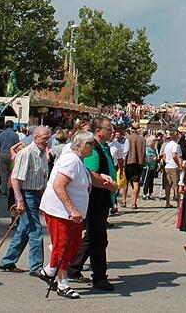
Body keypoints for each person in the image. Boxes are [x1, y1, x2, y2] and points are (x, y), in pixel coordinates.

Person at [36, 131, 98, 299]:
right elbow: (59, 185)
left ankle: (49, 271)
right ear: (79, 146)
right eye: (90, 144)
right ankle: (62, 284)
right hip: (61, 212)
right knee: (63, 246)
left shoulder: (78, 159)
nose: (93, 147)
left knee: (73, 246)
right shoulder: (71, 160)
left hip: (71, 214)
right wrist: (72, 210)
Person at [66, 117, 118, 291]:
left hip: (101, 199)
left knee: (92, 237)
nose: (111, 132)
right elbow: (91, 174)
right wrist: (109, 185)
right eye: (108, 129)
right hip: (95, 200)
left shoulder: (103, 147)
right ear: (98, 131)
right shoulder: (94, 149)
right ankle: (99, 277)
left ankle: (73, 267)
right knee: (98, 239)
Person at [0, 126, 51, 274]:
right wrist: (19, 201)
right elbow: (15, 179)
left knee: (23, 230)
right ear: (35, 137)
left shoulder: (42, 154)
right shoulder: (26, 153)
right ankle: (36, 267)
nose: (47, 141)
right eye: (44, 138)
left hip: (37, 194)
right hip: (27, 195)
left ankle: (8, 261)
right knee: (35, 231)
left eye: (48, 138)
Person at [125, 127, 146, 209]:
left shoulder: (128, 138)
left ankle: (124, 200)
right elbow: (144, 152)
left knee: (126, 181)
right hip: (139, 162)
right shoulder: (143, 139)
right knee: (136, 182)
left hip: (129, 161)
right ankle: (134, 203)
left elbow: (125, 151)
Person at [0, 121, 19, 197]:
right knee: (12, 173)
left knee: (3, 173)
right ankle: (11, 189)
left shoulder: (1, 134)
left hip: (2, 154)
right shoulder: (15, 135)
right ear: (13, 126)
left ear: (5, 126)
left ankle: (4, 191)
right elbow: (18, 146)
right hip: (12, 155)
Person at [160, 131, 181, 208]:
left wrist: (167, 162)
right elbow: (174, 155)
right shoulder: (175, 145)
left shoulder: (167, 145)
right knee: (176, 185)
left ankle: (167, 202)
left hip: (167, 166)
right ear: (176, 137)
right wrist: (179, 165)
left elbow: (164, 155)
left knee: (168, 185)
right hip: (174, 167)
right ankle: (178, 204)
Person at [142, 135, 159, 200]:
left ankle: (150, 193)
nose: (155, 142)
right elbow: (148, 157)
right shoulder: (147, 149)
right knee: (146, 180)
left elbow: (157, 156)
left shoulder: (154, 149)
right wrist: (153, 158)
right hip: (147, 167)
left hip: (152, 167)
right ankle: (144, 193)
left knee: (151, 181)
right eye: (154, 140)